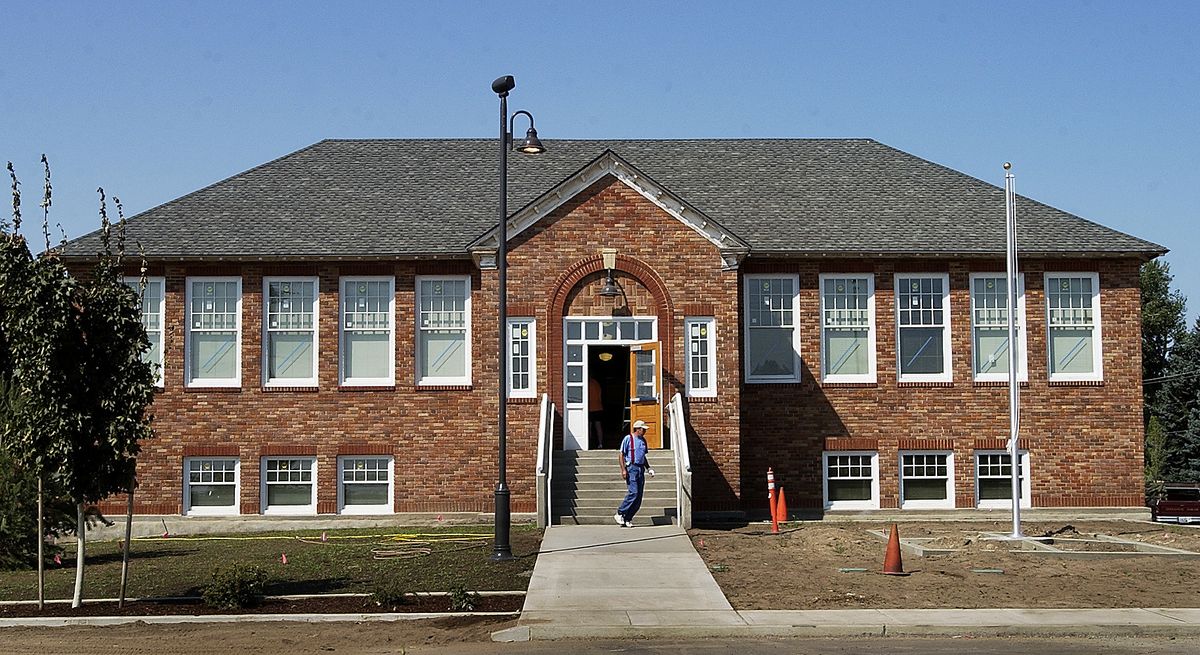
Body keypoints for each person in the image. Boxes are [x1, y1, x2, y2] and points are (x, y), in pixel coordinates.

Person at [614, 420, 654, 528]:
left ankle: (628, 518)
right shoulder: (628, 439)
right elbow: (621, 454)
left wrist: (648, 468)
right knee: (634, 492)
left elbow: (643, 456)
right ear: (637, 429)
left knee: (639, 497)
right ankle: (620, 512)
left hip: (640, 469)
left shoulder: (643, 441)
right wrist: (623, 470)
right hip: (631, 468)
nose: (644, 431)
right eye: (643, 429)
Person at [588, 377, 605, 448]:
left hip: (589, 407)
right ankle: (600, 443)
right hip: (598, 407)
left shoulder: (587, 383)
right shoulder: (596, 383)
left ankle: (588, 443)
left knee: (589, 426)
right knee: (598, 426)